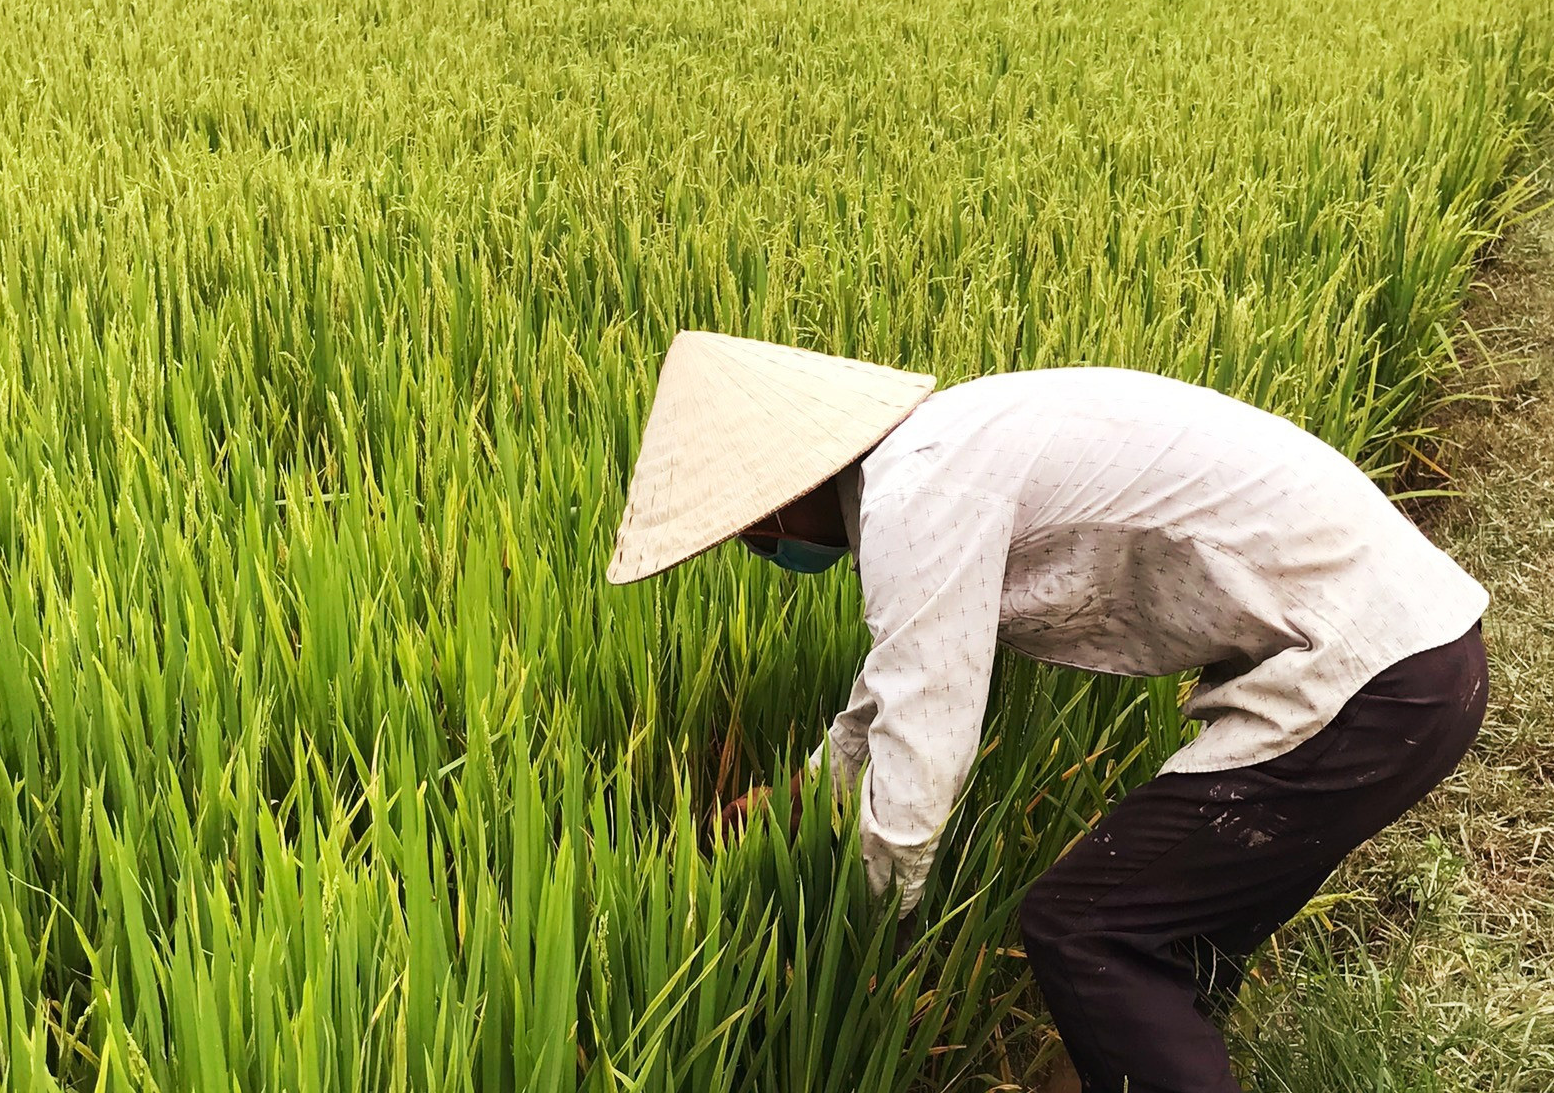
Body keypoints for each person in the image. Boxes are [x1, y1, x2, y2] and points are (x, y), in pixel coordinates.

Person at [608, 331, 1489, 1093]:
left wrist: (849, 946)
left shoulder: (920, 498)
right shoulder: (942, 452)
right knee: (1167, 932)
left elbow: (920, 763)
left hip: (1370, 679)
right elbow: (889, 694)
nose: (762, 548)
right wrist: (804, 801)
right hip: (1416, 653)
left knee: (1087, 926)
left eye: (752, 529)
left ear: (789, 486)